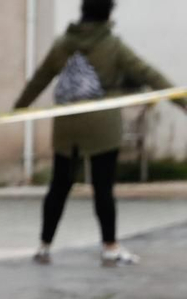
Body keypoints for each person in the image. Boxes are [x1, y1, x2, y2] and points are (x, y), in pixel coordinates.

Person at [15, 0, 176, 267]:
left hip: (67, 127)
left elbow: (40, 78)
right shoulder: (113, 46)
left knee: (59, 186)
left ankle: (44, 245)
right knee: (103, 188)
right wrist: (181, 101)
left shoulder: (62, 45)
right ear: (108, 13)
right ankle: (110, 246)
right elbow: (148, 73)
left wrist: (18, 109)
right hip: (103, 127)